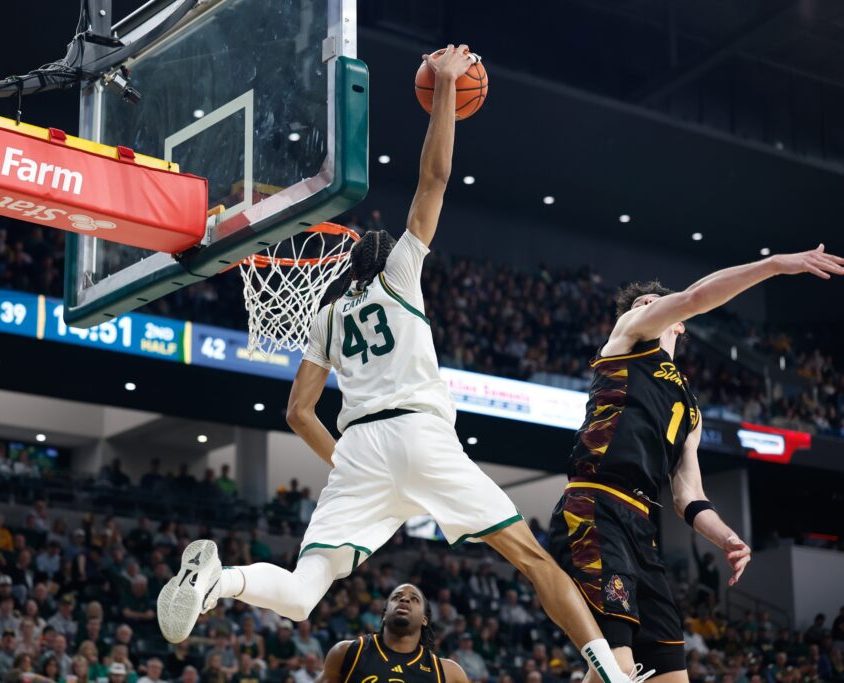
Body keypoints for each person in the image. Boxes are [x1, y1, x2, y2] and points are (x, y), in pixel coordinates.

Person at [158, 44, 638, 683]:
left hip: (360, 446)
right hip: (418, 432)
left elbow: (299, 413)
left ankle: (223, 581)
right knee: (532, 559)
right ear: (383, 260)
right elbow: (433, 179)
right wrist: (445, 88)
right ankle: (610, 673)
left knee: (303, 594)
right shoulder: (400, 278)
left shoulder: (325, 317)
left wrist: (352, 465)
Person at [548, 243, 844, 683]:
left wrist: (726, 537)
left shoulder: (690, 408)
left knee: (672, 679)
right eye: (645, 303)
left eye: (655, 302)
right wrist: (775, 266)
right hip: (597, 508)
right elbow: (693, 296)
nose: (651, 307)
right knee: (619, 667)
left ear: (679, 328)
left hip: (642, 529)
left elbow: (689, 494)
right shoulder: (628, 337)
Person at [317, 584, 466, 683]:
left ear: (424, 620)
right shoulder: (347, 652)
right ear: (384, 615)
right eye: (396, 597)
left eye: (414, 599)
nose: (404, 599)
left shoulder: (448, 673)